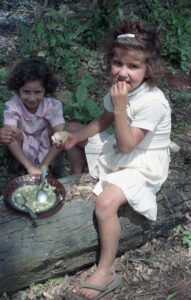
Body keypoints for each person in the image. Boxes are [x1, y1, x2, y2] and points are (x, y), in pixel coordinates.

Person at [54, 19, 171, 300]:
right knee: (69, 128)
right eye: (118, 63)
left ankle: (106, 271)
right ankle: (78, 178)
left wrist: (120, 108)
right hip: (123, 147)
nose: (123, 72)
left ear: (148, 69)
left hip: (142, 162)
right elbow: (103, 120)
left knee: (105, 203)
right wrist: (77, 136)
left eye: (133, 66)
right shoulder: (117, 90)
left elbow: (128, 146)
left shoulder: (152, 102)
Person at [3, 58, 65, 175]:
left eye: (37, 92)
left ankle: (48, 163)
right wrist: (30, 167)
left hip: (44, 140)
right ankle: (26, 165)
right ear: (18, 89)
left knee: (60, 135)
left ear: (45, 90)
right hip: (23, 141)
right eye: (26, 92)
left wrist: (44, 165)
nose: (32, 98)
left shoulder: (52, 105)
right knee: (10, 134)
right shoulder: (14, 105)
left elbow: (61, 134)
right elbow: (8, 130)